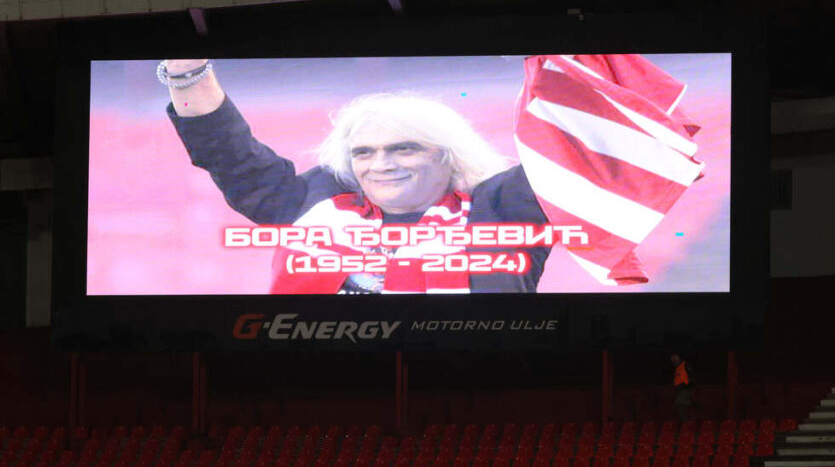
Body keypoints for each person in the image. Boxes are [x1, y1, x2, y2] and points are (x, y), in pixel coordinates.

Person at [161, 58, 551, 294]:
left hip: (463, 382)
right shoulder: (312, 202)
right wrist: (186, 71)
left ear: (446, 154)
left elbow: (575, 152)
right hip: (312, 379)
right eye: (364, 152)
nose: (381, 163)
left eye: (404, 148)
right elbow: (228, 153)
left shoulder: (501, 206)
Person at [671, 353, 695, 421]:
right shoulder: (677, 368)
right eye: (673, 361)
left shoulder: (685, 365)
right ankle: (684, 423)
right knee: (681, 408)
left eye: (675, 360)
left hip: (686, 388)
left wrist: (688, 384)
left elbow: (691, 376)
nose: (674, 362)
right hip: (679, 390)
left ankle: (692, 404)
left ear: (678, 359)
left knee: (678, 402)